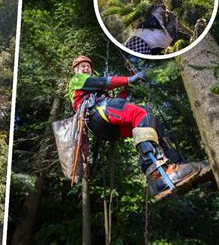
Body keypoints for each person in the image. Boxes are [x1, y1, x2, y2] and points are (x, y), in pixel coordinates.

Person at [67, 55, 211, 201]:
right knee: (142, 112)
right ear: (75, 70)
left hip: (104, 125)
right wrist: (129, 79)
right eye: (82, 66)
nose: (85, 68)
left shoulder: (93, 90)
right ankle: (155, 168)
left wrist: (128, 86)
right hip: (96, 114)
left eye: (88, 66)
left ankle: (175, 165)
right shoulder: (77, 80)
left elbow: (118, 102)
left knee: (150, 123)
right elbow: (105, 82)